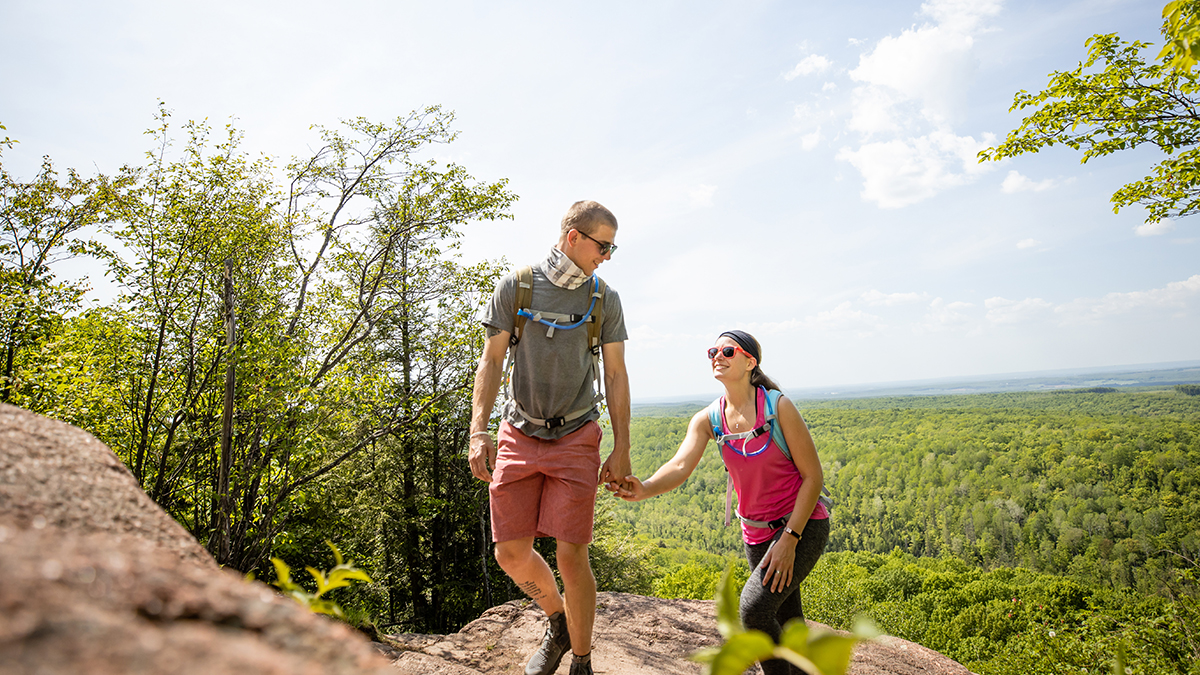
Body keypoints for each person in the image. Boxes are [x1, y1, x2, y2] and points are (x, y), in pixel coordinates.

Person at [468, 200, 631, 675]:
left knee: (570, 553)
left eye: (612, 248)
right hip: (518, 431)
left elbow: (617, 375)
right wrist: (479, 431)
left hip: (578, 434)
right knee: (509, 552)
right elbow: (492, 362)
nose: (607, 256)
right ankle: (558, 621)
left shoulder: (604, 299)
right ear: (573, 237)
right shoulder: (517, 287)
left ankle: (581, 660)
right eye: (603, 245)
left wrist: (621, 446)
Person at [610, 330, 829, 675]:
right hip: (756, 534)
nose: (717, 356)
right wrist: (645, 487)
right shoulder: (709, 418)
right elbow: (680, 465)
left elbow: (813, 477)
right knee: (787, 620)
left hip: (800, 525)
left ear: (750, 362)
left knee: (754, 611)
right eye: (713, 351)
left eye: (728, 350)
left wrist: (790, 538)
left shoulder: (777, 406)